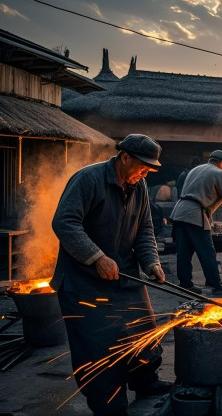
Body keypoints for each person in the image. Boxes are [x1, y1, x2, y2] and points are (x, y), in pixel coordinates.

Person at [52, 134, 171, 416]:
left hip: (126, 276)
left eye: (150, 170)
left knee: (143, 330)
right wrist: (96, 258)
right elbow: (64, 222)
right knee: (99, 346)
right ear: (124, 157)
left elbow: (144, 230)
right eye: (142, 167)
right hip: (84, 282)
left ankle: (145, 382)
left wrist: (152, 262)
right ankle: (110, 405)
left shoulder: (139, 186)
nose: (145, 174)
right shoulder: (88, 179)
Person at [170, 150, 222, 295]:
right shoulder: (219, 173)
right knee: (207, 252)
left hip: (179, 213)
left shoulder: (196, 170)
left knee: (184, 252)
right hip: (194, 214)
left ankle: (185, 284)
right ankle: (217, 287)